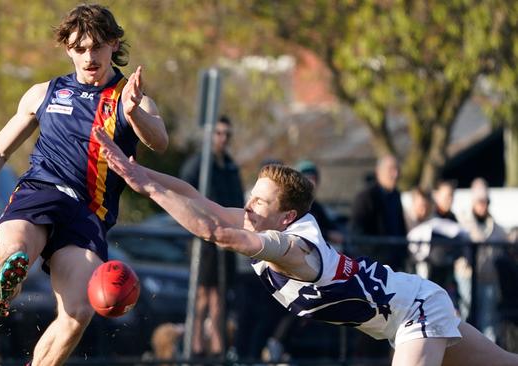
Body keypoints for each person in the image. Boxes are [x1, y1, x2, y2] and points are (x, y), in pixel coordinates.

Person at [93, 126, 518, 366]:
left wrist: (148, 185)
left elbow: (214, 233)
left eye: (259, 201)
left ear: (287, 217)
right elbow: (197, 198)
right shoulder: (263, 222)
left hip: (415, 310)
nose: (247, 206)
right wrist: (136, 172)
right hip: (410, 303)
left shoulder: (294, 248)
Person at [0, 3, 168, 365]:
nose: (89, 57)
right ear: (68, 49)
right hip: (42, 190)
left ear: (114, 44)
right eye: (80, 48)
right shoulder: (43, 93)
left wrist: (134, 113)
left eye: (97, 46)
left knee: (79, 311)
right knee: (16, 249)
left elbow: (159, 141)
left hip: (88, 212)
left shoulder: (130, 97)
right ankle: (5, 281)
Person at [179, 115, 243, 358]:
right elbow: (184, 192)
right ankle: (194, 347)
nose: (223, 139)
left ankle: (217, 348)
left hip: (226, 238)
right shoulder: (199, 164)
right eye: (218, 133)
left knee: (220, 295)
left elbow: (236, 200)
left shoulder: (229, 165)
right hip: (203, 239)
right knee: (203, 294)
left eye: (227, 134)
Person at [459, 178, 507, 342]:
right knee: (465, 320)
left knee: (488, 323)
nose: (483, 205)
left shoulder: (496, 228)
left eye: (485, 201)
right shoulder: (462, 223)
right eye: (480, 201)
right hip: (466, 278)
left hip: (488, 279)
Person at [350, 155, 408, 271]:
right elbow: (357, 233)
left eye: (397, 170)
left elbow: (400, 227)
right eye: (391, 170)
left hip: (395, 265)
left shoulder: (396, 195)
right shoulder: (365, 197)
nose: (395, 174)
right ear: (379, 172)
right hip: (373, 266)